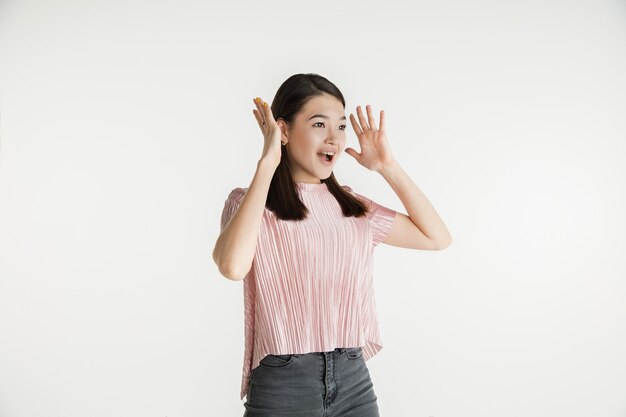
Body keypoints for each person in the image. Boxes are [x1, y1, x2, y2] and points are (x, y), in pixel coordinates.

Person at [212, 73, 452, 417]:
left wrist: (387, 166)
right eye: (319, 124)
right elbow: (232, 267)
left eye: (340, 127)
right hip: (283, 384)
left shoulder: (353, 208)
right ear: (283, 130)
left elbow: (436, 238)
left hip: (353, 379)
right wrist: (267, 163)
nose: (334, 139)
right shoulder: (250, 205)